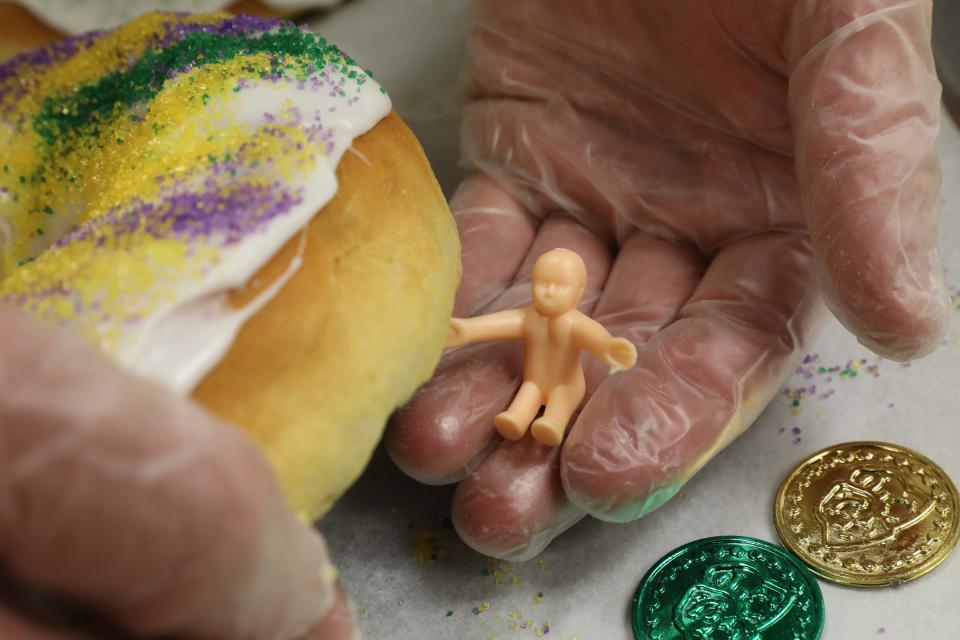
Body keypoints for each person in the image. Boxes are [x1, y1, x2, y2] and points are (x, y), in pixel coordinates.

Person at [0, 0, 947, 637]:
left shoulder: (565, 320)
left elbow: (580, 338)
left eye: (552, 286)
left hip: (546, 357)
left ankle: (533, 420)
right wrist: (465, 331)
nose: (540, 293)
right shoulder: (538, 314)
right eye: (545, 287)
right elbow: (501, 331)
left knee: (543, 400)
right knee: (521, 399)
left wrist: (608, 340)